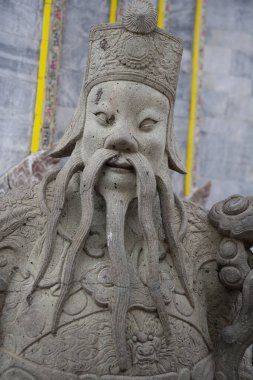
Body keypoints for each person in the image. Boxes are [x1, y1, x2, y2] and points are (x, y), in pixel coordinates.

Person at [0, 1, 253, 379]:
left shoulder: (202, 245)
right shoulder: (15, 228)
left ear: (166, 141)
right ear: (80, 129)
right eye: (105, 118)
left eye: (147, 123)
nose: (122, 137)